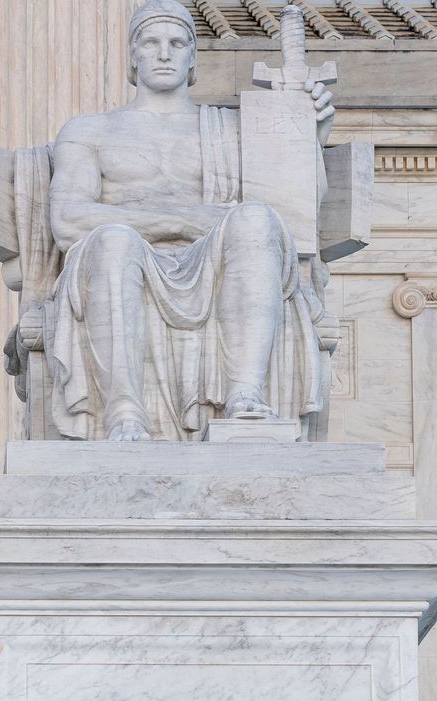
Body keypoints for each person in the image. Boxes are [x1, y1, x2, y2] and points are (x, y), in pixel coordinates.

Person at [40, 0, 337, 441]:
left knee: (255, 220)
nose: (164, 53)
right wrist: (185, 219)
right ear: (132, 56)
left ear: (193, 57)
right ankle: (124, 413)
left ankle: (245, 396)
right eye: (151, 42)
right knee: (114, 241)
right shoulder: (90, 130)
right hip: (121, 262)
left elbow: (290, 217)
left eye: (177, 43)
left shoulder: (232, 129)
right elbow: (67, 219)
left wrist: (309, 138)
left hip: (212, 263)